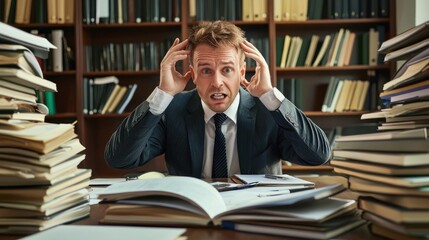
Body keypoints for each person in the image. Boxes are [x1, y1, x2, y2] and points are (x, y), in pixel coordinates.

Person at [105, 21, 331, 178]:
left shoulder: (268, 110)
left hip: (256, 218)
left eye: (227, 70)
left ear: (242, 73)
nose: (217, 82)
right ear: (192, 74)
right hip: (193, 218)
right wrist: (162, 94)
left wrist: (270, 95)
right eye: (205, 71)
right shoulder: (173, 110)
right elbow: (119, 159)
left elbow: (318, 155)